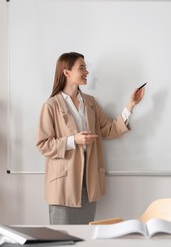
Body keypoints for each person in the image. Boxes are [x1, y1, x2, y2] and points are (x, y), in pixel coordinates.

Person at [36, 52, 145, 224]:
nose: (87, 72)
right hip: (64, 184)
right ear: (66, 72)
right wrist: (73, 141)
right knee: (63, 237)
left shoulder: (91, 102)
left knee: (86, 236)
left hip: (89, 179)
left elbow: (109, 129)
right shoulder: (51, 106)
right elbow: (43, 144)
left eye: (86, 67)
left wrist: (131, 105)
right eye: (82, 68)